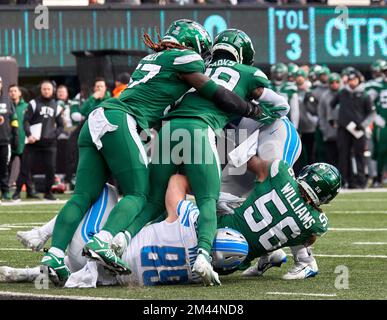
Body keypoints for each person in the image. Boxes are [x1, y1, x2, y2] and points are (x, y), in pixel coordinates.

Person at [41, 19, 276, 286]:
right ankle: (114, 242)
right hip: (138, 121)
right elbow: (220, 95)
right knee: (150, 194)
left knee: (88, 195)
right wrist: (253, 110)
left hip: (115, 120)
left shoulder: (151, 60)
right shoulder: (189, 59)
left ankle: (57, 255)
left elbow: (160, 108)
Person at [119, 29, 288, 286]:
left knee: (153, 200)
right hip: (200, 130)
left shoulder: (197, 69)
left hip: (168, 130)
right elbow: (281, 106)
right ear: (243, 54)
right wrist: (260, 114)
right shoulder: (249, 73)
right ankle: (203, 256)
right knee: (207, 198)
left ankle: (121, 241)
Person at [9, 181, 248, 287]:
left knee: (104, 190)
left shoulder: (189, 221)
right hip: (107, 278)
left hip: (93, 252)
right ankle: (29, 273)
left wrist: (208, 197)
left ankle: (43, 236)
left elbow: (176, 183)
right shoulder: (198, 277)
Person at [13, 80, 64, 201]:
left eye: (49, 89)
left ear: (53, 91)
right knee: (25, 168)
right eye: (44, 89)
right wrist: (29, 135)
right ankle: (17, 192)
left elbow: (61, 126)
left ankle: (48, 193)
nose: (46, 91)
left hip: (49, 144)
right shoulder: (33, 103)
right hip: (33, 143)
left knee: (51, 169)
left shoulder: (57, 106)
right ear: (41, 90)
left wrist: (53, 135)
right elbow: (25, 121)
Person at [331, 69, 375, 189]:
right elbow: (331, 105)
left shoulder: (365, 94)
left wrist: (364, 124)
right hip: (343, 129)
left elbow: (372, 113)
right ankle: (344, 181)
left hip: (358, 130)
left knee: (359, 156)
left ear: (359, 80)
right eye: (350, 80)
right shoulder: (342, 93)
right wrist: (335, 119)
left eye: (354, 80)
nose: (352, 82)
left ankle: (361, 182)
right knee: (343, 156)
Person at [0, 77, 19, 200]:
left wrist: (15, 134)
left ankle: (5, 191)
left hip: (4, 139)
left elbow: (14, 119)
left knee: (4, 167)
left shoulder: (7, 100)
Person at [318, 73, 341, 167]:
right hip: (329, 132)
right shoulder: (325, 96)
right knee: (330, 157)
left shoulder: (344, 94)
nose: (334, 84)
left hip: (343, 131)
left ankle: (345, 179)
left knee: (344, 157)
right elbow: (321, 114)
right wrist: (324, 129)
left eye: (337, 82)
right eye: (332, 82)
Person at [8, 84, 28, 189]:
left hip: (23, 140)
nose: (13, 93)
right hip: (9, 141)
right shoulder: (5, 107)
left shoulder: (27, 106)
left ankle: (29, 189)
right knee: (6, 166)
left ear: (19, 93)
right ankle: (6, 188)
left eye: (15, 91)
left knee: (26, 167)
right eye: (11, 91)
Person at [269, 63, 300, 129]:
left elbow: (294, 111)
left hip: (284, 122)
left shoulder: (290, 88)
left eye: (281, 73)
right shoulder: (266, 86)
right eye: (276, 73)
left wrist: (294, 127)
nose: (278, 75)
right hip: (267, 121)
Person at [371, 63, 387, 187]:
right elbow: (367, 102)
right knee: (381, 150)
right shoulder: (376, 85)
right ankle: (378, 177)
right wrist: (375, 116)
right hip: (383, 123)